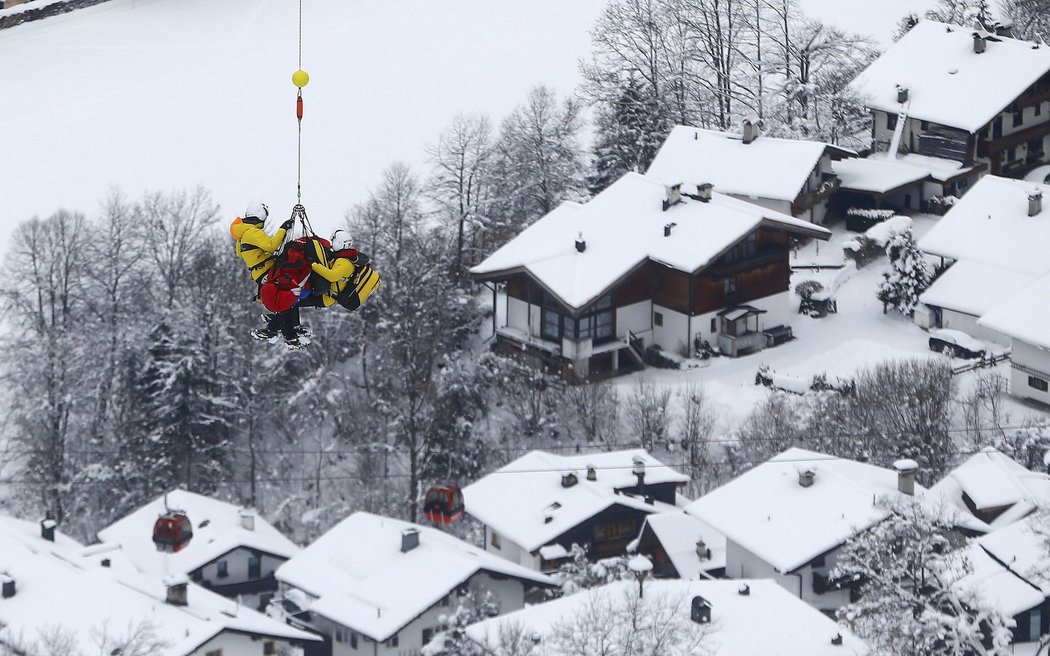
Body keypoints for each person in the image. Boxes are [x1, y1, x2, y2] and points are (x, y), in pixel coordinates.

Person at [309, 230, 380, 312]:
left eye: (333, 241)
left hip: (325, 297)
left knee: (295, 298)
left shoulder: (343, 261)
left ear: (338, 243)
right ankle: (296, 324)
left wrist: (313, 265)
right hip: (327, 294)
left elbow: (333, 276)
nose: (332, 244)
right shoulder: (349, 257)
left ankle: (295, 324)